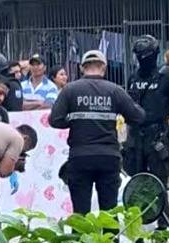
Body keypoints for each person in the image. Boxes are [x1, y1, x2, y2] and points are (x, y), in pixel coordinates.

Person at [49, 50, 145, 214]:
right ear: (104, 68)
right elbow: (138, 117)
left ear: (82, 68)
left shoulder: (70, 90)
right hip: (108, 157)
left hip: (80, 157)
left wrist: (75, 120)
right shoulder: (114, 91)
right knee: (109, 213)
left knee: (80, 217)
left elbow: (55, 120)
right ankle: (110, 240)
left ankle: (81, 240)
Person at [124, 35, 169, 230]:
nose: (143, 59)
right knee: (135, 186)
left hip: (157, 137)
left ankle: (163, 229)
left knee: (159, 185)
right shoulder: (133, 78)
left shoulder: (165, 79)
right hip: (135, 137)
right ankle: (136, 231)